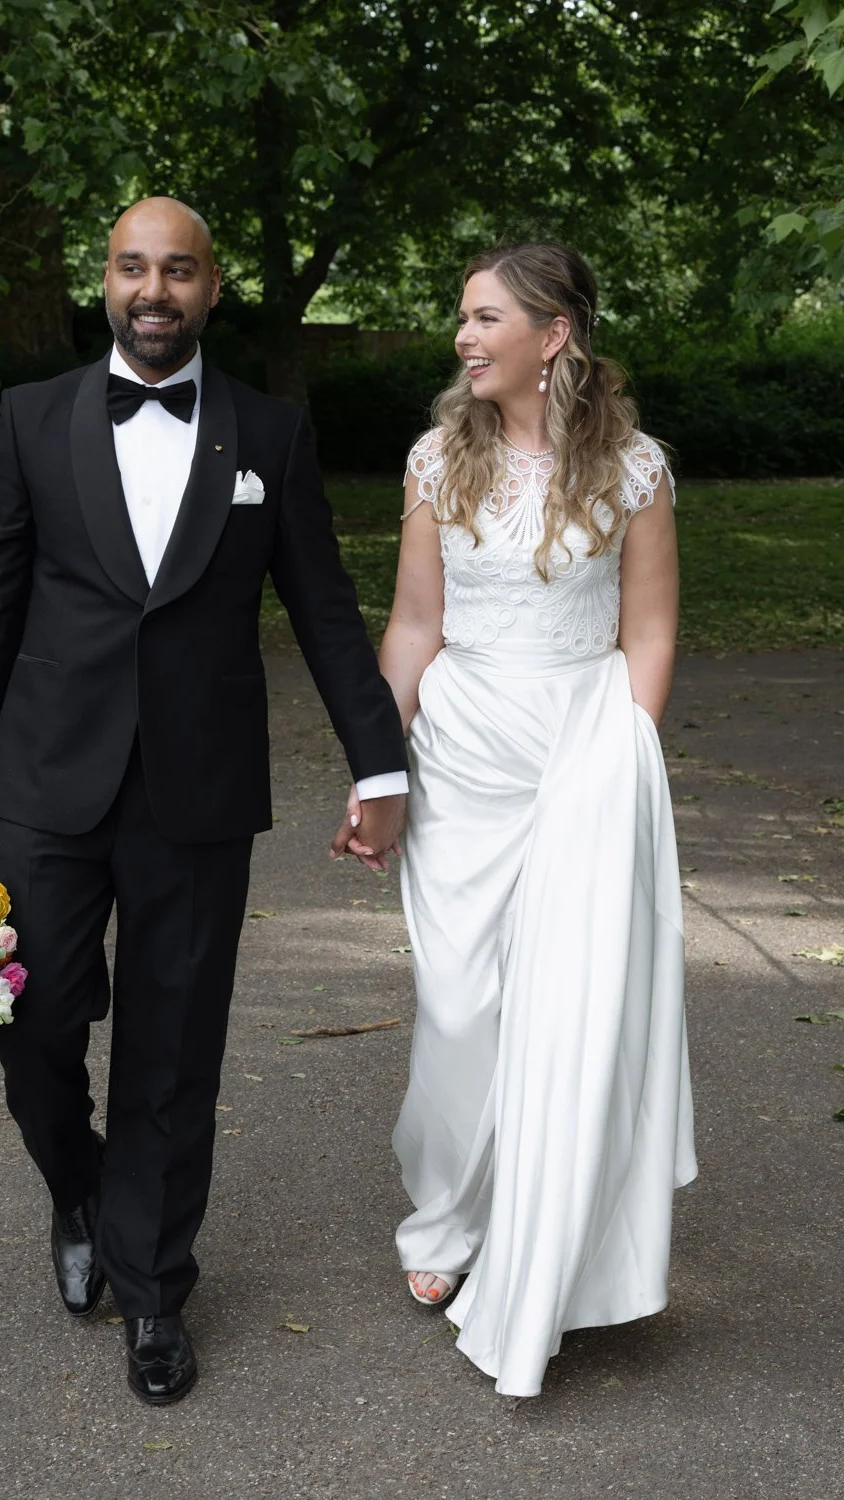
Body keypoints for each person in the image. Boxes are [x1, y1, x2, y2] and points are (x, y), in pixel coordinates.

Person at [0, 196, 408, 1406]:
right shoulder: (32, 420)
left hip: (198, 793)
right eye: (134, 268)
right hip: (52, 784)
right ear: (106, 281)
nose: (155, 291)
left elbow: (327, 614)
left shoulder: (271, 434)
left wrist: (380, 769)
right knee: (32, 1028)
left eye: (178, 270)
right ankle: (76, 1185)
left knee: (175, 1054)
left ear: (212, 287)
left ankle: (154, 1291)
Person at [335, 242, 697, 1399]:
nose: (462, 336)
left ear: (554, 335)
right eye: (462, 317)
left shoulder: (634, 471)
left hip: (583, 758)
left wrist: (623, 761)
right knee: (458, 1006)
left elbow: (645, 631)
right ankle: (445, 1211)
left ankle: (549, 1241)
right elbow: (409, 625)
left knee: (566, 1008)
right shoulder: (437, 462)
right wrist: (374, 769)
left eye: (485, 316)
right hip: (461, 755)